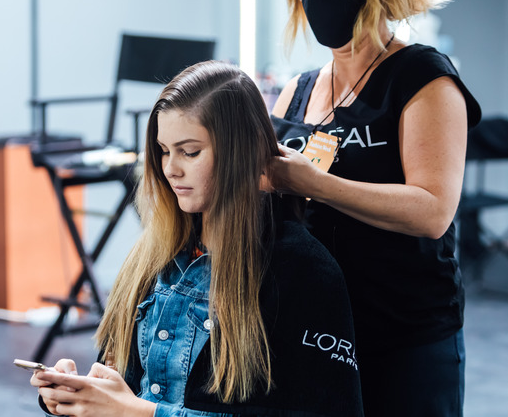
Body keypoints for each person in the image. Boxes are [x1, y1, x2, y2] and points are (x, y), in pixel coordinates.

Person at [30, 60, 364, 416]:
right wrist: (79, 395)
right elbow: (121, 386)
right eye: (163, 151)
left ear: (241, 151)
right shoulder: (152, 256)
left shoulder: (303, 270)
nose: (171, 168)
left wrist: (137, 413)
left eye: (189, 152)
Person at [267, 0, 482, 417]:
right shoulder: (297, 93)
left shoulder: (423, 78)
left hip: (403, 331)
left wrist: (314, 183)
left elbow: (432, 211)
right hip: (311, 327)